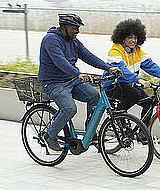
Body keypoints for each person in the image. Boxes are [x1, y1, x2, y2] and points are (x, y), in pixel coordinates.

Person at [38, 13, 121, 151]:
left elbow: (88, 56)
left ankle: (90, 131)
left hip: (71, 79)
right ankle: (50, 135)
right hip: (53, 83)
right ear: (64, 27)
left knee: (94, 96)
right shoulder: (51, 40)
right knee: (69, 109)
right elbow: (60, 62)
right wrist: (78, 74)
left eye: (78, 27)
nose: (77, 31)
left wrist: (109, 68)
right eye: (74, 28)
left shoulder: (74, 41)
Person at [102, 19, 160, 128]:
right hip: (112, 86)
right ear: (123, 38)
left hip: (127, 85)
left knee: (149, 103)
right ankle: (118, 115)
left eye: (136, 38)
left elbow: (150, 66)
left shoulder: (138, 51)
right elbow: (123, 71)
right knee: (134, 94)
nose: (133, 40)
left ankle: (142, 133)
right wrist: (139, 80)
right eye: (130, 37)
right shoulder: (115, 51)